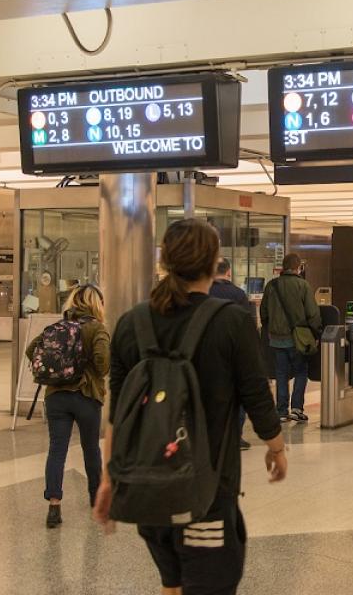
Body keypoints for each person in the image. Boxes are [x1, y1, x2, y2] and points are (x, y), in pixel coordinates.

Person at [93, 218, 286, 595]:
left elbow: (117, 409)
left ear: (165, 262)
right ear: (215, 262)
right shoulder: (231, 320)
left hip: (146, 488)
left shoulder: (132, 323)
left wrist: (108, 478)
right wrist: (276, 448)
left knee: (173, 582)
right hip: (206, 491)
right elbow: (256, 394)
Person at [27, 283, 109, 529]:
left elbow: (32, 350)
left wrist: (59, 369)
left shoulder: (57, 327)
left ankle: (54, 505)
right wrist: (84, 367)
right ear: (97, 304)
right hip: (86, 396)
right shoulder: (96, 328)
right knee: (90, 448)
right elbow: (103, 363)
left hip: (56, 397)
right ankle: (95, 498)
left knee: (57, 449)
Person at [260, 253, 322, 422]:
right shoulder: (303, 285)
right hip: (298, 339)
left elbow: (263, 312)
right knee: (301, 371)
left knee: (281, 374)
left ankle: (281, 411)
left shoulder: (271, 286)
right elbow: (312, 313)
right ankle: (296, 408)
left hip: (276, 339)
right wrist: (316, 333)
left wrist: (270, 329)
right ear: (298, 267)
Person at [210, 257, 253, 450]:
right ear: (228, 272)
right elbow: (246, 326)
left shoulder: (205, 292)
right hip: (233, 352)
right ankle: (236, 435)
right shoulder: (238, 294)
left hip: (210, 352)